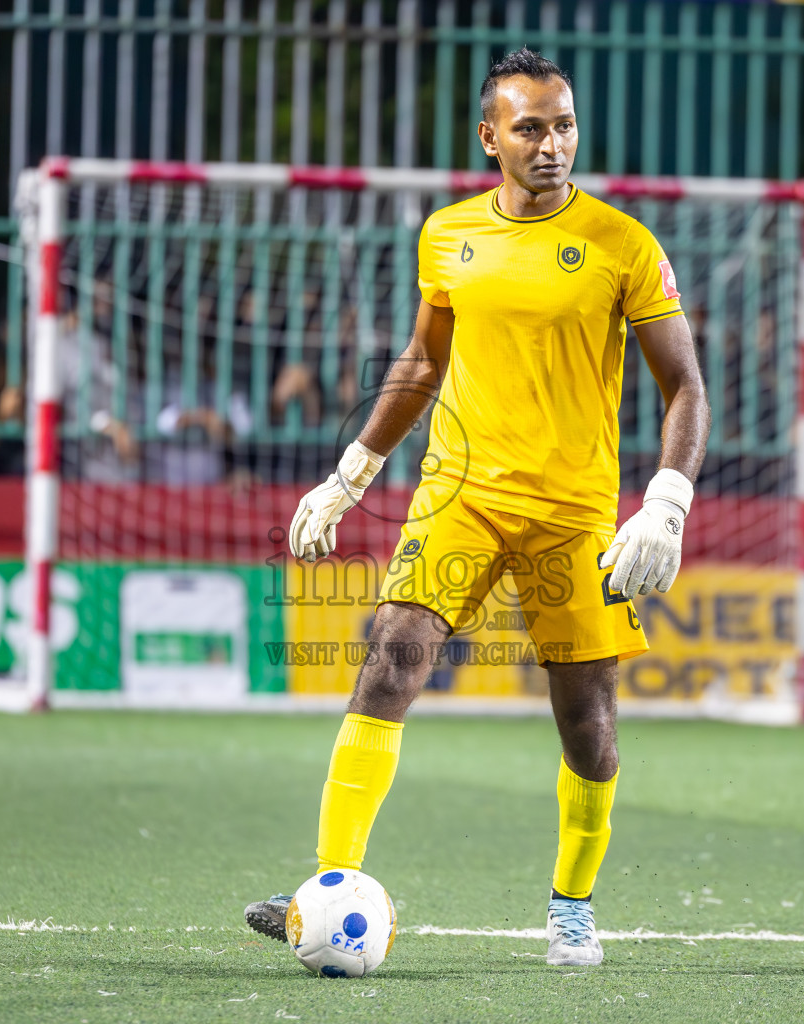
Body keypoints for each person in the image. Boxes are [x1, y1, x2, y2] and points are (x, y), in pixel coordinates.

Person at [242, 49, 709, 968]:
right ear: (489, 137)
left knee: (589, 720)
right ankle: (330, 884)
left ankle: (571, 906)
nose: (551, 144)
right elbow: (422, 364)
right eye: (530, 127)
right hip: (457, 496)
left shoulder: (623, 244)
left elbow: (685, 385)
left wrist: (666, 502)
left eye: (563, 124)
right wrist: (352, 473)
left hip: (574, 515)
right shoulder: (447, 235)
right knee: (389, 660)